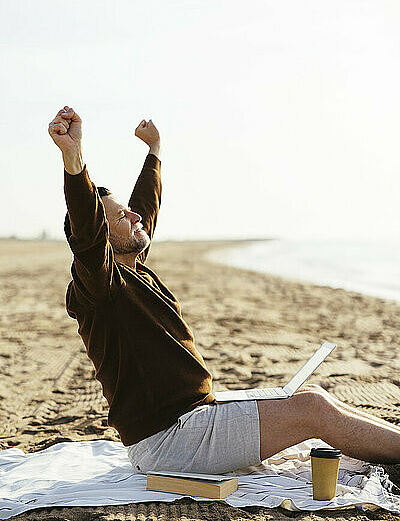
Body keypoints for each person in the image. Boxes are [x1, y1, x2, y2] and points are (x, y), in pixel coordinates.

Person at [48, 105, 400, 474]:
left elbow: (144, 212)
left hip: (195, 418)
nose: (134, 216)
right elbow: (88, 234)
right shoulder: (101, 287)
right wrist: (73, 158)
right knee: (312, 412)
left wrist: (154, 152)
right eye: (122, 216)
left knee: (311, 397)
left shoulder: (134, 271)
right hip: (170, 442)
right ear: (101, 237)